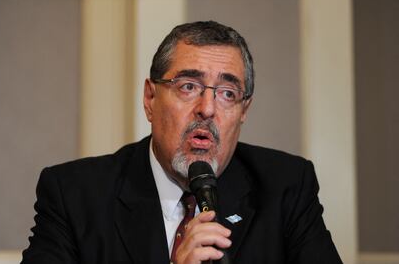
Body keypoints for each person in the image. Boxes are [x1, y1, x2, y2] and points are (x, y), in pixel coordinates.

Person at [21, 21, 342, 264]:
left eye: (228, 94)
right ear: (150, 98)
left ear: (244, 111)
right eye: (189, 86)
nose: (207, 108)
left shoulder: (286, 185)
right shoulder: (74, 194)